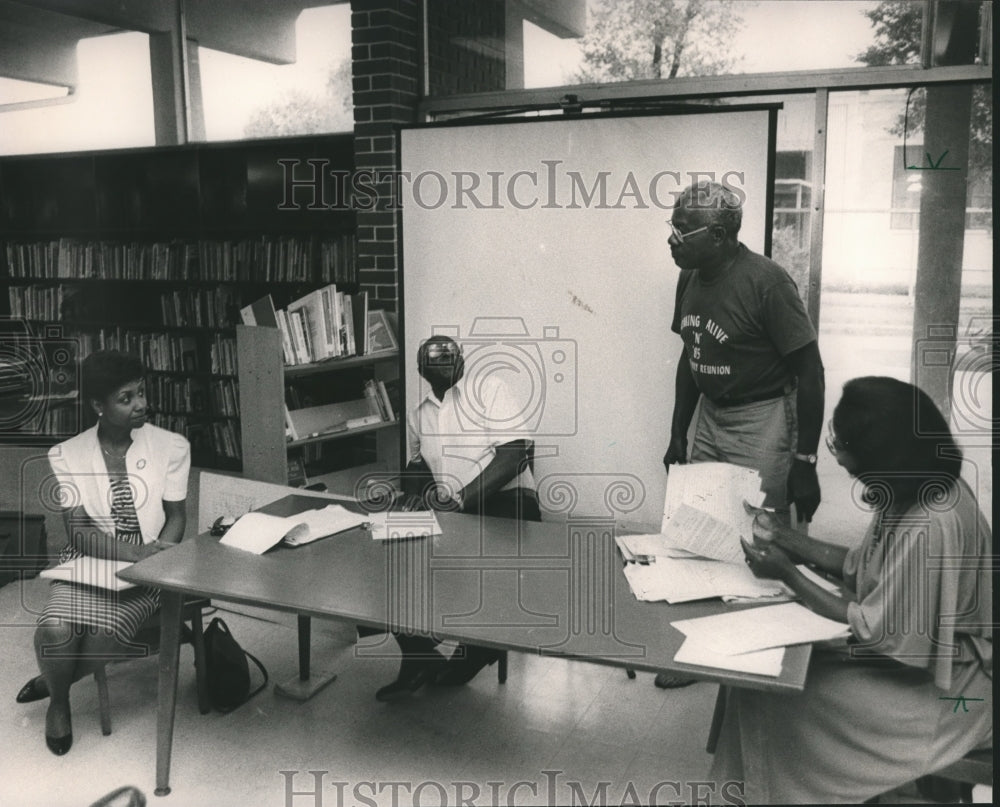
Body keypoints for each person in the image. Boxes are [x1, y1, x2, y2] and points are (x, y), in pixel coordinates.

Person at [711, 377, 992, 803]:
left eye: (843, 447)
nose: (838, 455)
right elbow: (861, 565)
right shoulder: (912, 486)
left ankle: (756, 795)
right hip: (925, 668)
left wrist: (787, 573)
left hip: (953, 699)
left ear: (884, 457)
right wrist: (783, 537)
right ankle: (744, 794)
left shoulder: (930, 522)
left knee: (772, 694)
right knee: (759, 677)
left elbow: (875, 628)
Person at [657, 180, 825, 689]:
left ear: (722, 234)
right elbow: (692, 356)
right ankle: (706, 649)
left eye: (682, 230)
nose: (672, 238)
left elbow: (811, 371)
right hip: (712, 413)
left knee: (763, 538)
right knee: (703, 537)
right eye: (672, 226)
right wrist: (677, 432)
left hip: (763, 418)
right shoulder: (690, 276)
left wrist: (805, 460)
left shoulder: (768, 284)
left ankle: (765, 658)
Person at [15, 350, 190, 756]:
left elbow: (177, 516)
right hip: (92, 564)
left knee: (102, 635)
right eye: (126, 398)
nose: (141, 404)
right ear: (98, 405)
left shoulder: (172, 446)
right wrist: (136, 552)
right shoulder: (67, 454)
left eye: (142, 393)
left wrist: (158, 557)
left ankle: (56, 681)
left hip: (151, 569)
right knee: (55, 630)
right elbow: (77, 532)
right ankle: (59, 705)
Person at [369, 334, 539, 701]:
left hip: (506, 505)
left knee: (475, 571)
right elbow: (416, 465)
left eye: (450, 354)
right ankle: (419, 657)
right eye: (433, 357)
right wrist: (415, 497)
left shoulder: (490, 389)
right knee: (389, 554)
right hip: (455, 512)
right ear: (421, 370)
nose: (443, 360)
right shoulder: (419, 414)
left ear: (462, 360)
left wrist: (460, 500)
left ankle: (477, 650)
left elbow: (514, 456)